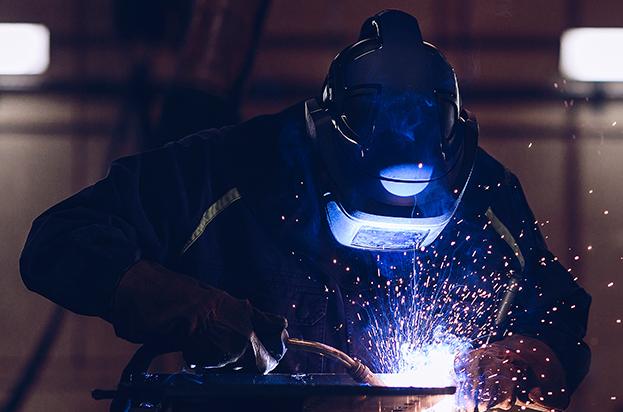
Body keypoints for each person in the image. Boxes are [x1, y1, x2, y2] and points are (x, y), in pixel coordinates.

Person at [20, 10, 589, 412]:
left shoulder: (480, 194)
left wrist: (535, 355)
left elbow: (557, 308)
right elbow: (58, 240)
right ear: (322, 148)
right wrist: (189, 306)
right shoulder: (231, 169)